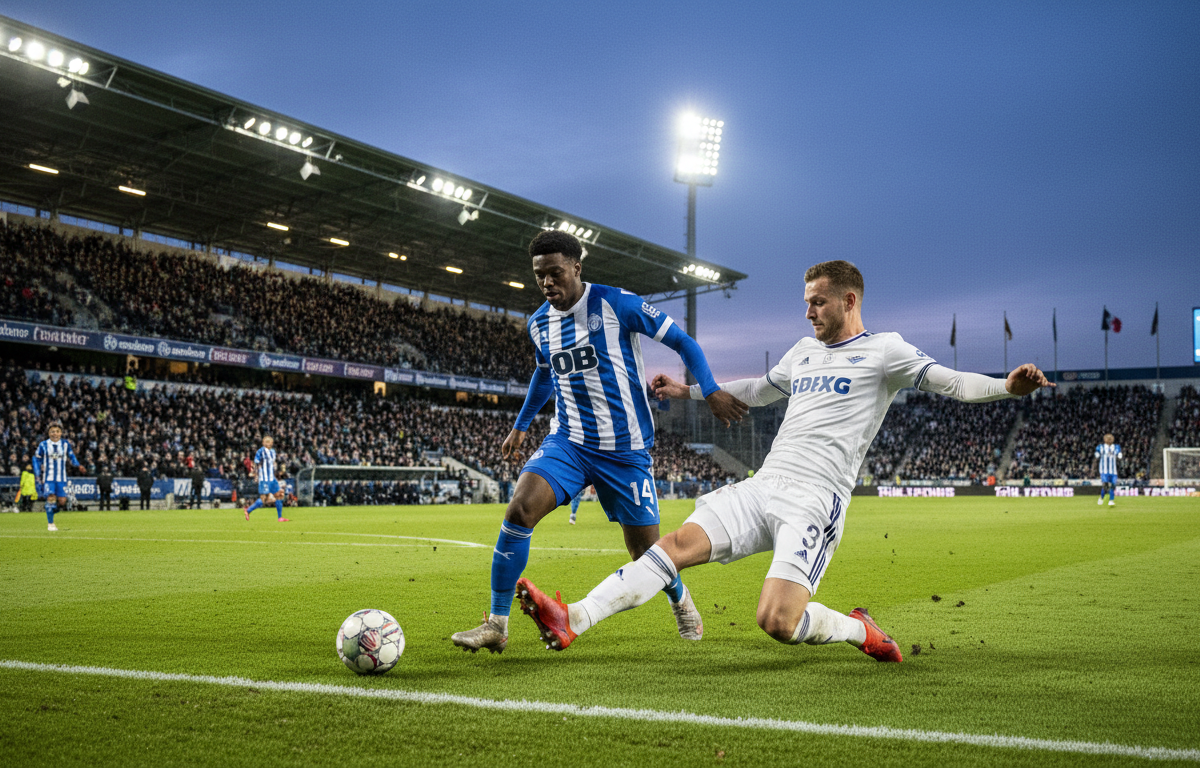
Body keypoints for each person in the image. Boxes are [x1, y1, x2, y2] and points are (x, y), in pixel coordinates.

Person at [516, 259, 1053, 663]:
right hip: (766, 483)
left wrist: (1007, 386)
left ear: (849, 300)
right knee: (674, 546)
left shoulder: (886, 350)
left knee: (777, 622)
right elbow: (759, 389)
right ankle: (575, 618)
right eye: (806, 302)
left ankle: (859, 630)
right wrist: (689, 391)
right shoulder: (802, 350)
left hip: (818, 499)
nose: (808, 311)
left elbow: (953, 382)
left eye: (818, 302)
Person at [451, 230, 747, 654]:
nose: (547, 283)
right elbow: (543, 372)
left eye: (555, 273)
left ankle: (680, 599)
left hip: (625, 451)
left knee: (646, 552)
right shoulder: (539, 323)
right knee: (520, 509)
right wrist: (521, 424)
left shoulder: (617, 304)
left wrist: (711, 388)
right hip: (569, 442)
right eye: (540, 277)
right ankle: (497, 623)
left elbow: (682, 341)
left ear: (577, 267)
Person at [33, 421, 82, 531]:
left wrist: (78, 465)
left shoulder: (65, 444)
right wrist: (37, 473)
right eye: (52, 432)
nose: (55, 434)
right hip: (48, 477)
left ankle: (49, 510)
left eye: (57, 431)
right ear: (49, 433)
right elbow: (36, 459)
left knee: (62, 501)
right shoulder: (43, 445)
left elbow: (72, 456)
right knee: (51, 497)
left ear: (61, 433)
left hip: (61, 478)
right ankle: (50, 524)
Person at [244, 436, 289, 522]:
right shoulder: (260, 452)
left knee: (280, 495)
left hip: (272, 478)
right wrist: (255, 474)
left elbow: (272, 463)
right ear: (263, 443)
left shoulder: (273, 451)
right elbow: (256, 463)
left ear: (272, 443)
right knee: (263, 499)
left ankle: (280, 517)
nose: (268, 443)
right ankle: (248, 510)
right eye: (266, 442)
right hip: (264, 479)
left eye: (270, 442)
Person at [1095, 433, 1122, 507]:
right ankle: (1101, 497)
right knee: (1106, 485)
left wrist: (1119, 455)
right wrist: (1097, 454)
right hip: (1104, 471)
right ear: (1105, 439)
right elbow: (1097, 453)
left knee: (1112, 485)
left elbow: (1118, 453)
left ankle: (1111, 500)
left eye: (1111, 438)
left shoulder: (1116, 447)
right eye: (1108, 438)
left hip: (1113, 471)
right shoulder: (1101, 447)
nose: (1109, 440)